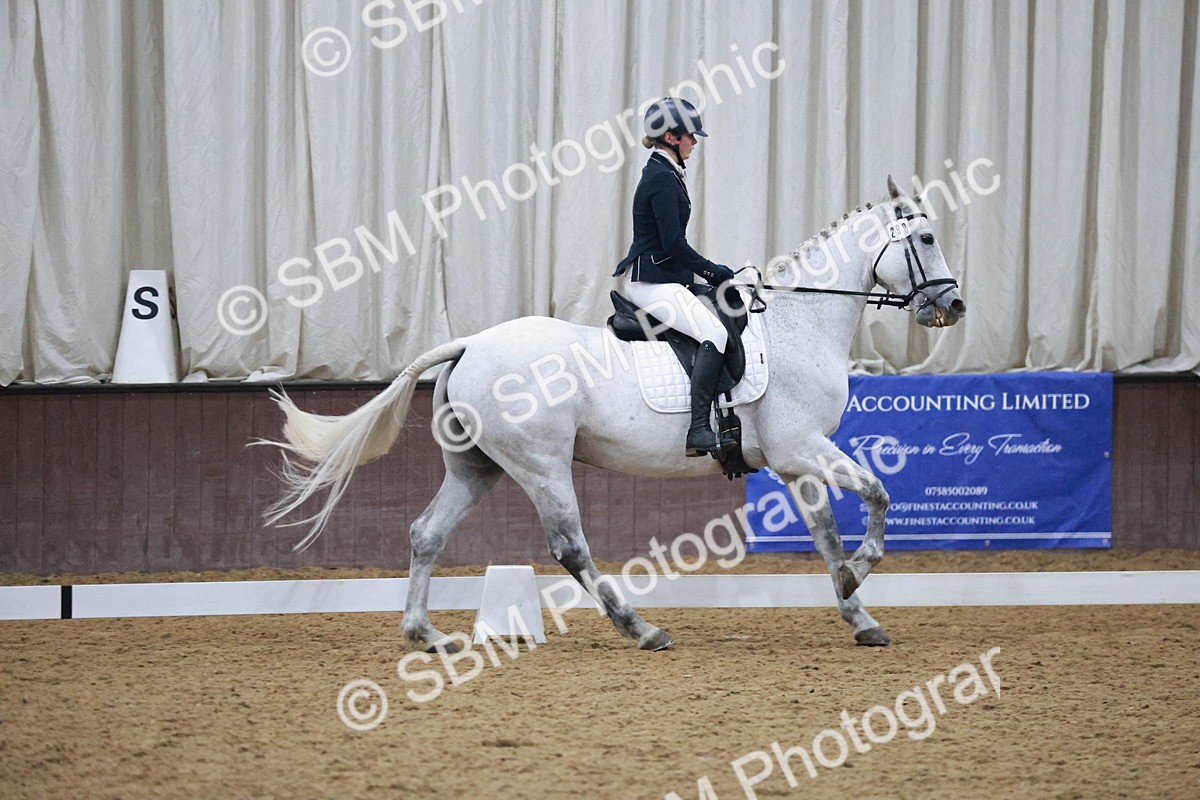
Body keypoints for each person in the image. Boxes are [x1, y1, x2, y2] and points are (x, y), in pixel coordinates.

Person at [613, 97, 735, 457]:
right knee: (714, 333)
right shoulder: (661, 178)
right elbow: (673, 244)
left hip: (664, 276)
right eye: (690, 136)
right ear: (671, 137)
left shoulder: (665, 171)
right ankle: (698, 429)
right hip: (650, 282)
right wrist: (713, 271)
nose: (694, 142)